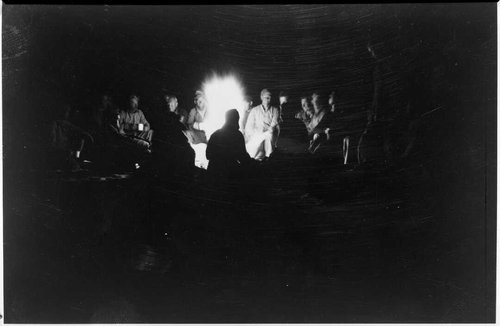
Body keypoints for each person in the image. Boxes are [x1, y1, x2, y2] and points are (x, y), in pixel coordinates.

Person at [206, 109, 252, 179]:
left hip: (213, 173)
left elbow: (208, 155)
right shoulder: (237, 135)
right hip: (228, 174)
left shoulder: (215, 134)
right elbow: (242, 157)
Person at [50, 105, 94, 171]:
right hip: (58, 153)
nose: (66, 113)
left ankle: (77, 157)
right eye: (65, 111)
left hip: (66, 152)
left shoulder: (65, 123)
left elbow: (80, 131)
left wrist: (87, 136)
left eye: (67, 111)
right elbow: (52, 143)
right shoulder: (54, 124)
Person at [244, 88, 280, 161]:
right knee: (254, 147)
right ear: (261, 98)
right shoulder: (255, 110)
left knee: (269, 136)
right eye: (266, 98)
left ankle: (269, 158)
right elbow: (249, 126)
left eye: (270, 98)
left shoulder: (275, 110)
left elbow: (274, 123)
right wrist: (255, 134)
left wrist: (269, 129)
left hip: (269, 134)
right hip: (257, 135)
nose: (268, 100)